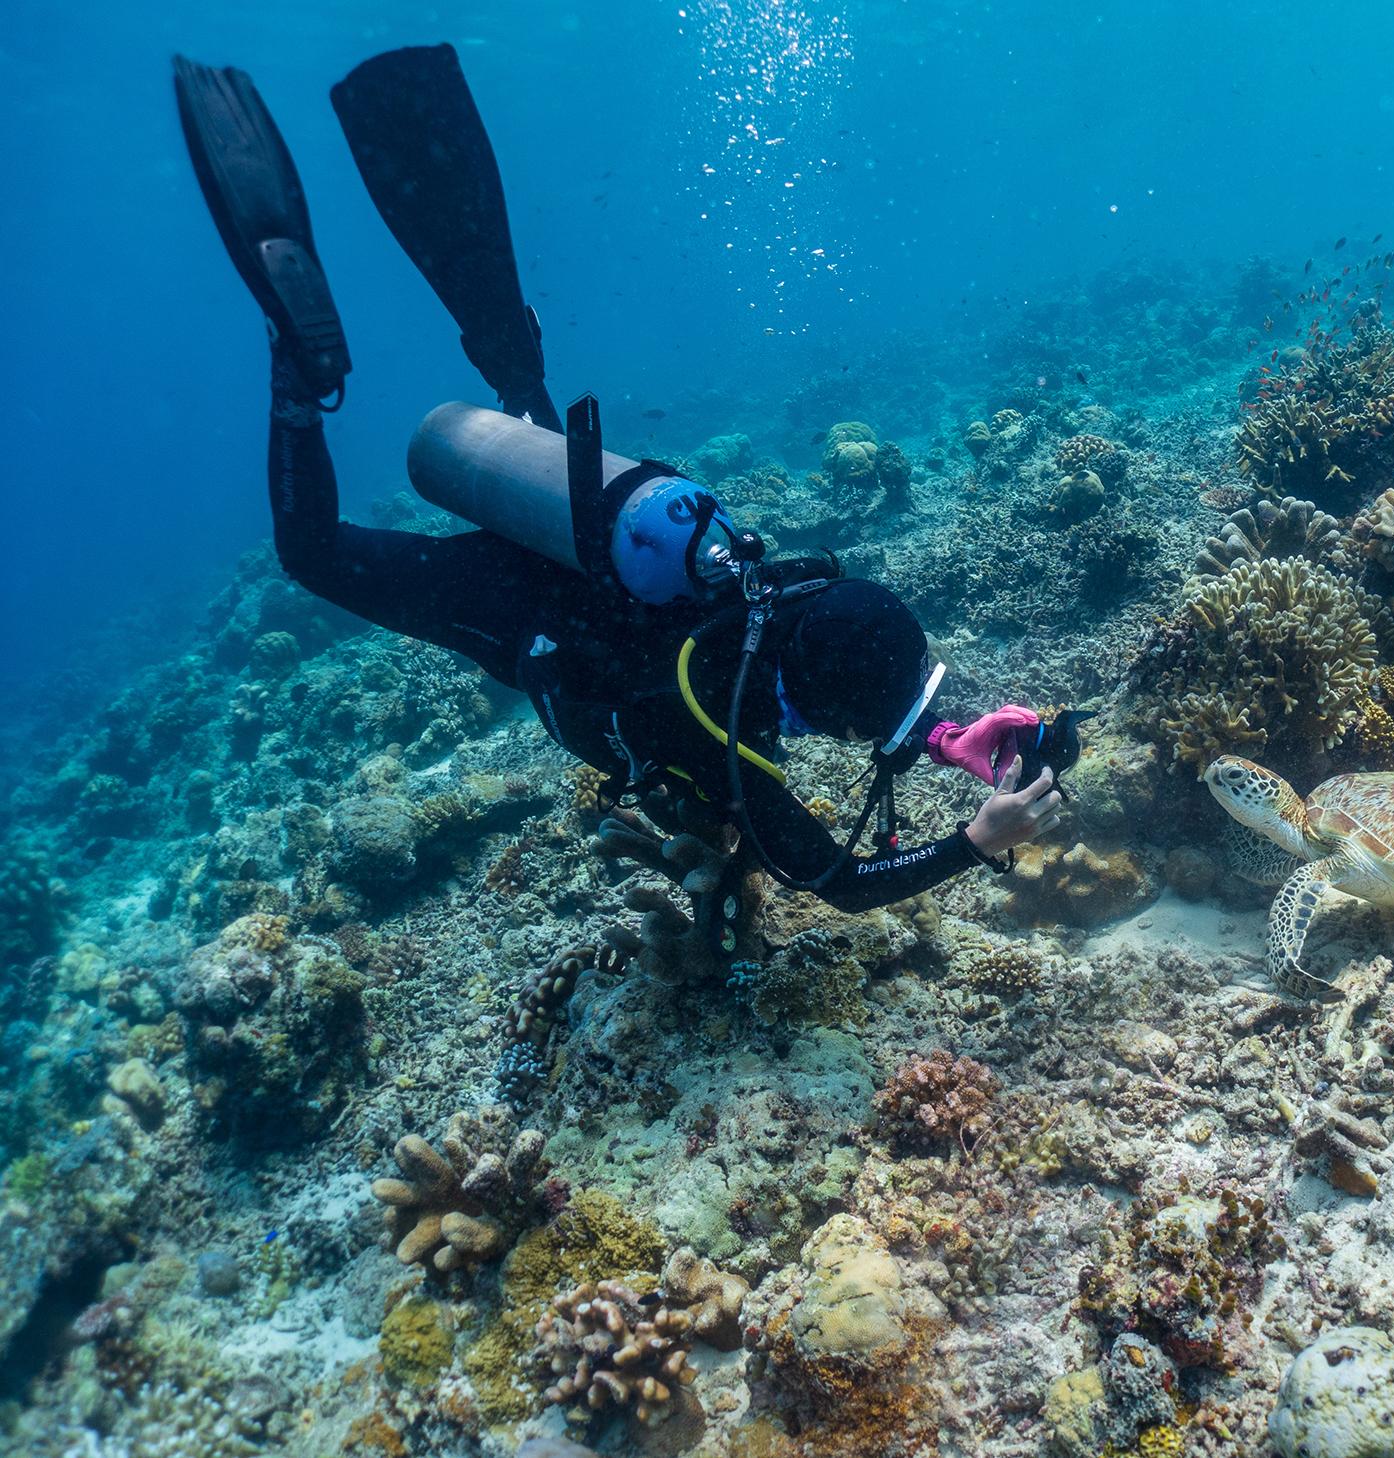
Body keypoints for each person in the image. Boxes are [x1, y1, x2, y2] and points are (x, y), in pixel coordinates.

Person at [172, 45, 1063, 925]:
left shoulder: (780, 597)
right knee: (312, 555)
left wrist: (945, 735)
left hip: (582, 515)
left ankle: (483, 335)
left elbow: (856, 669)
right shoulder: (711, 729)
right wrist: (973, 842)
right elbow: (838, 881)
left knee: (534, 427)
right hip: (515, 607)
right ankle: (301, 381)